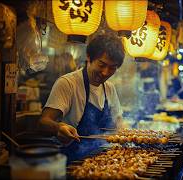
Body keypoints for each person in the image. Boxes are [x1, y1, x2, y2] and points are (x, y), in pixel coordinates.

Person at [38, 34, 125, 162]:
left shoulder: (109, 88)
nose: (106, 72)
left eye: (112, 68)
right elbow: (43, 121)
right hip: (72, 160)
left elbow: (118, 124)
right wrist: (59, 127)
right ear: (89, 58)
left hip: (104, 161)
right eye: (101, 65)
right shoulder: (68, 83)